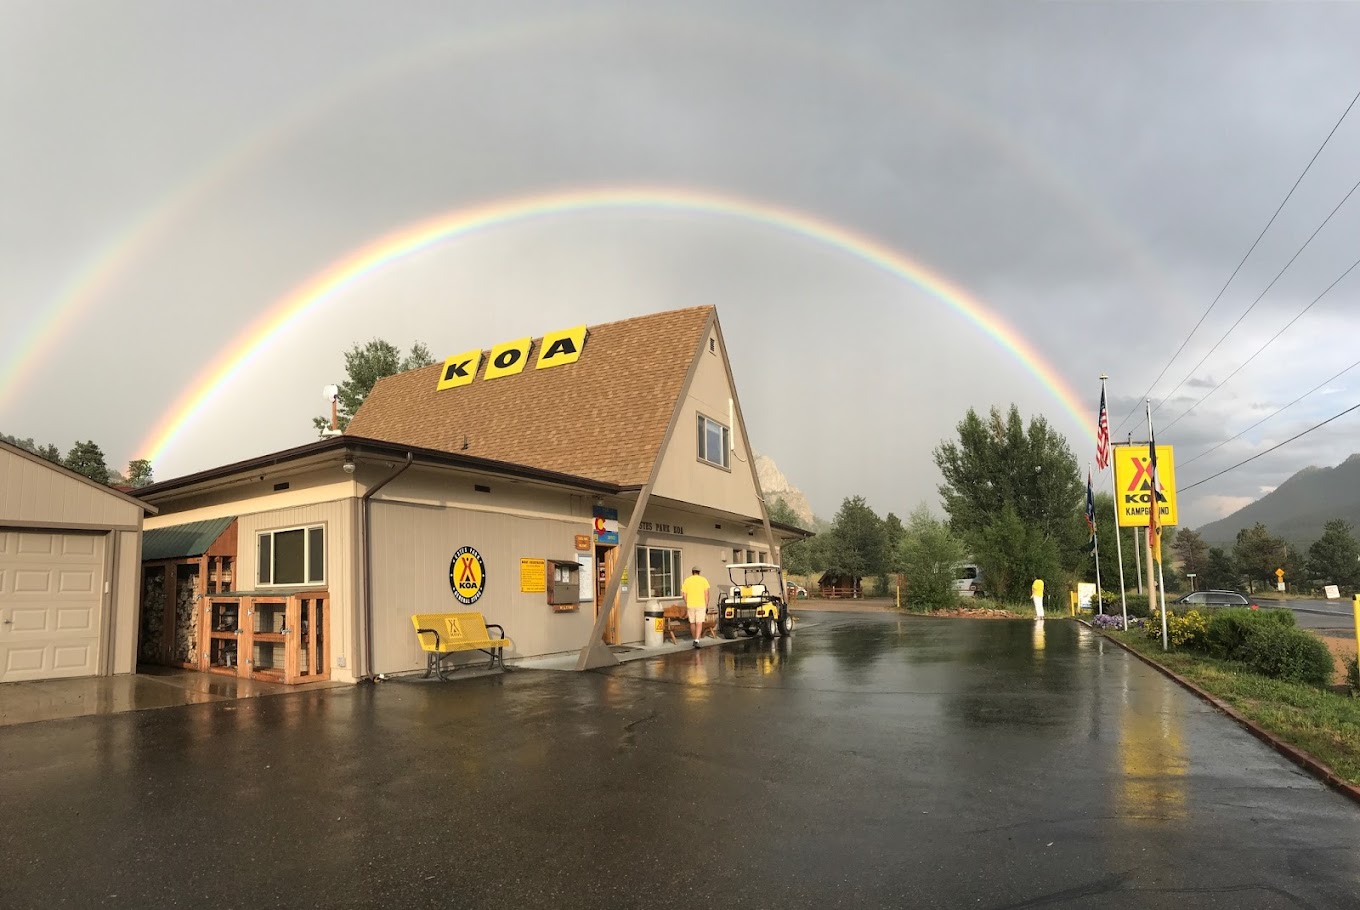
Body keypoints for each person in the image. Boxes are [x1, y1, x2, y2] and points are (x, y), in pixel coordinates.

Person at [680, 566, 711, 648]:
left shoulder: (687, 581)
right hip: (701, 604)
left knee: (692, 622)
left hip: (690, 604)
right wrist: (706, 604)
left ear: (692, 572)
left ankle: (694, 638)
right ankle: (697, 640)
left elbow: (684, 595)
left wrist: (687, 602)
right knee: (699, 622)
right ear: (699, 572)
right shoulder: (703, 580)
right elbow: (706, 593)